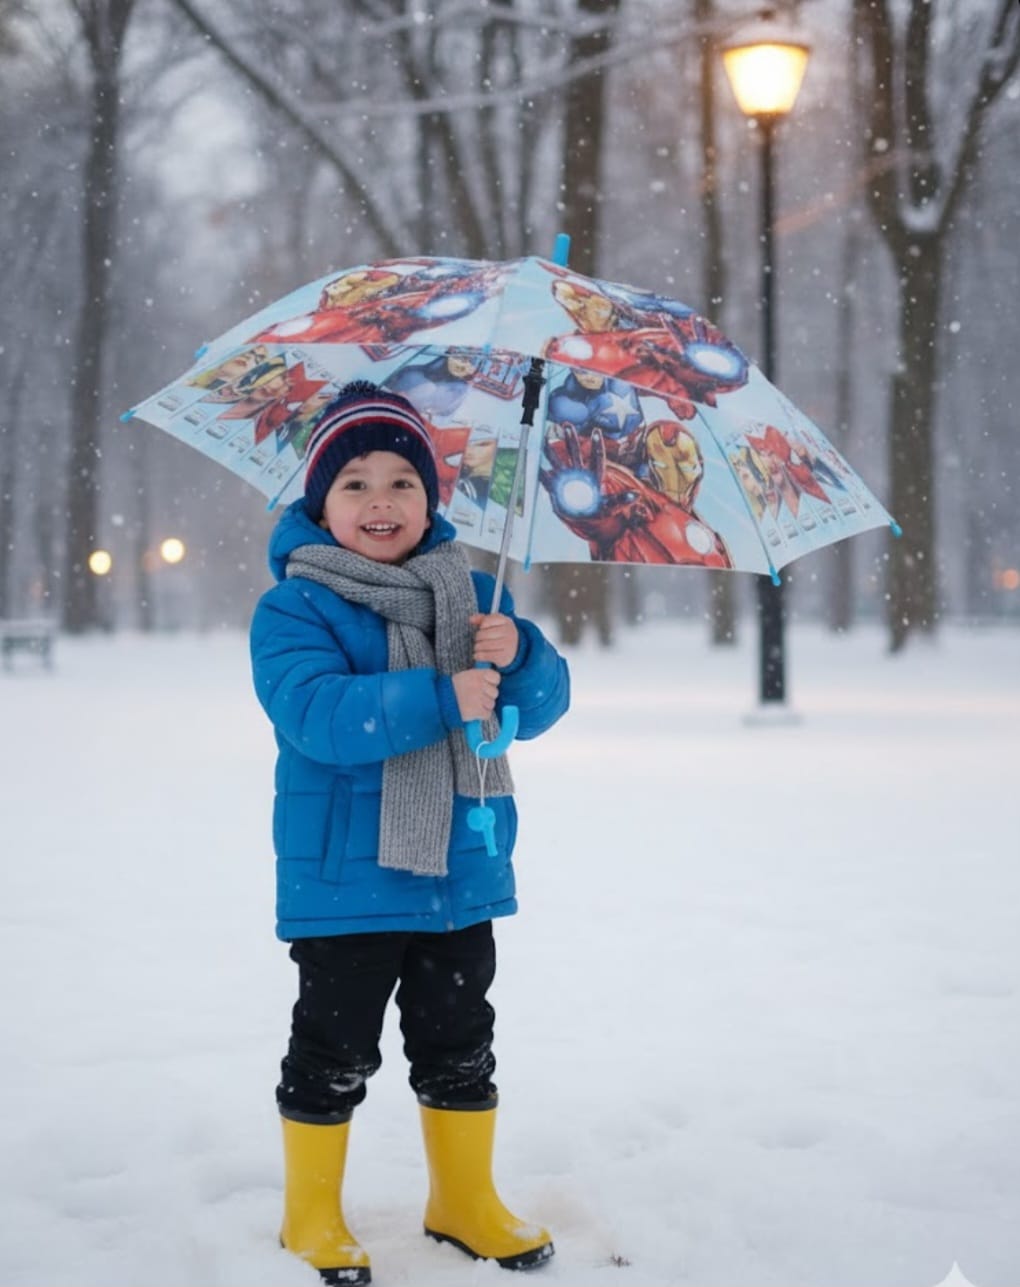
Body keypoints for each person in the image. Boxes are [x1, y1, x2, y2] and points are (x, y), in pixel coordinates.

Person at [249, 380, 570, 1284]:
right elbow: (316, 713)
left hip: (460, 864)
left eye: (403, 480)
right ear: (321, 503)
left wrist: (523, 657)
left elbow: (539, 712)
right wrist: (440, 696)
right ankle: (311, 1212)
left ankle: (462, 1199)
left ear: (434, 499)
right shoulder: (297, 607)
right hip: (348, 876)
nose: (381, 500)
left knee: (460, 1038)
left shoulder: (471, 596)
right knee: (333, 1045)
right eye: (355, 483)